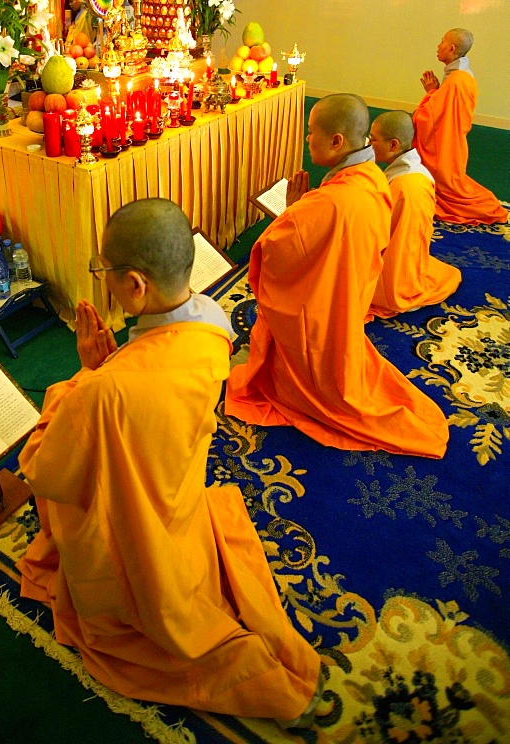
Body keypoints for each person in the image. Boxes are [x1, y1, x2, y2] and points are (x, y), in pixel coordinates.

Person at [17, 199, 323, 728]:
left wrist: (86, 375)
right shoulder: (211, 328)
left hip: (134, 529)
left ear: (135, 285)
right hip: (178, 487)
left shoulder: (108, 389)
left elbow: (44, 471)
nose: (103, 281)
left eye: (105, 273)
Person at [225, 94, 449, 458]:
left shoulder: (327, 203)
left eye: (310, 133)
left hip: (321, 319)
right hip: (350, 298)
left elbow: (275, 253)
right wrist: (302, 214)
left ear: (336, 141)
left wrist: (292, 213)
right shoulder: (373, 177)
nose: (306, 140)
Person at [368, 110, 461, 319]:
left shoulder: (404, 186)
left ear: (393, 145)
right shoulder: (416, 172)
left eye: (373, 140)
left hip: (392, 278)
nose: (368, 144)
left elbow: (376, 232)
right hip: (409, 257)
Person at [413, 29, 507, 225]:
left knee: (450, 188)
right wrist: (437, 93)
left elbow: (428, 117)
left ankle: (480, 205)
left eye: (442, 42)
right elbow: (445, 112)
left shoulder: (456, 81)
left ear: (452, 48)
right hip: (454, 140)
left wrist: (431, 92)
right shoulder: (462, 75)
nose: (438, 46)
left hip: (446, 145)